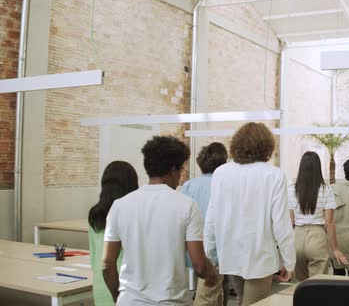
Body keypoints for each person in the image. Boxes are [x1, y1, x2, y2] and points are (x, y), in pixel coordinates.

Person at [103, 136, 218, 305]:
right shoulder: (186, 206)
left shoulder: (119, 206)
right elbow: (199, 265)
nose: (180, 176)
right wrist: (212, 273)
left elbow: (107, 264)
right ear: (173, 169)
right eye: (181, 170)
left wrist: (118, 297)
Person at [204, 122, 295, 306]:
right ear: (267, 147)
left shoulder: (221, 173)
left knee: (240, 301)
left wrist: (210, 254)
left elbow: (211, 218)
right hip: (260, 258)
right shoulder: (274, 175)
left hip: (230, 255)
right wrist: (289, 261)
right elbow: (281, 223)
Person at [180, 142, 229, 306]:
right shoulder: (223, 185)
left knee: (213, 295)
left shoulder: (188, 185)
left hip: (191, 252)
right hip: (214, 255)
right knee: (206, 298)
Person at [288, 151, 348, 281]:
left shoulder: (291, 190)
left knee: (301, 284)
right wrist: (335, 249)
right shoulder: (326, 190)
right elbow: (329, 223)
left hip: (297, 238)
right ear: (318, 168)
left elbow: (290, 221)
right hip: (317, 238)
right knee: (317, 284)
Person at [88, 161, 138, 306]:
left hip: (101, 286)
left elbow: (94, 256)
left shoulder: (94, 215)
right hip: (125, 287)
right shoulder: (130, 213)